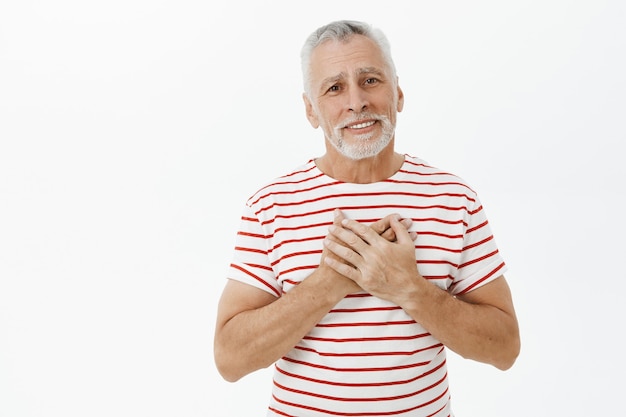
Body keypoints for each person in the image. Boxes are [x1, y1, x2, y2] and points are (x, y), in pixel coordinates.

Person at [214, 20, 520, 416]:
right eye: (334, 87)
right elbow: (229, 359)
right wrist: (328, 283)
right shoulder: (271, 205)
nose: (356, 102)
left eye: (371, 80)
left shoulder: (453, 198)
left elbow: (505, 347)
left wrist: (408, 287)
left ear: (399, 93)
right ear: (310, 109)